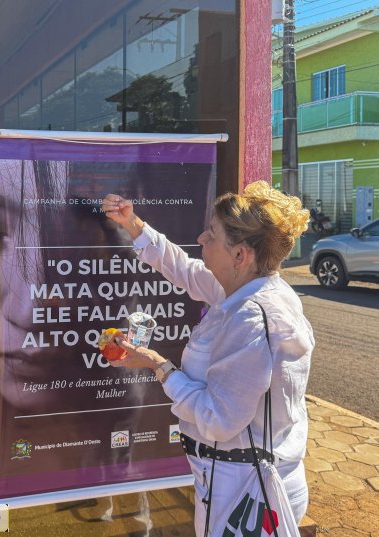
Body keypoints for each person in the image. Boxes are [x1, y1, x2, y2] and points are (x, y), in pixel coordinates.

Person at [101, 180, 313, 536]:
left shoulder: (251, 318)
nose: (201, 239)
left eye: (211, 234)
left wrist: (159, 365)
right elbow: (184, 269)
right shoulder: (249, 288)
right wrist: (132, 224)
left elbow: (217, 419)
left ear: (240, 255)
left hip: (246, 491)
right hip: (234, 479)